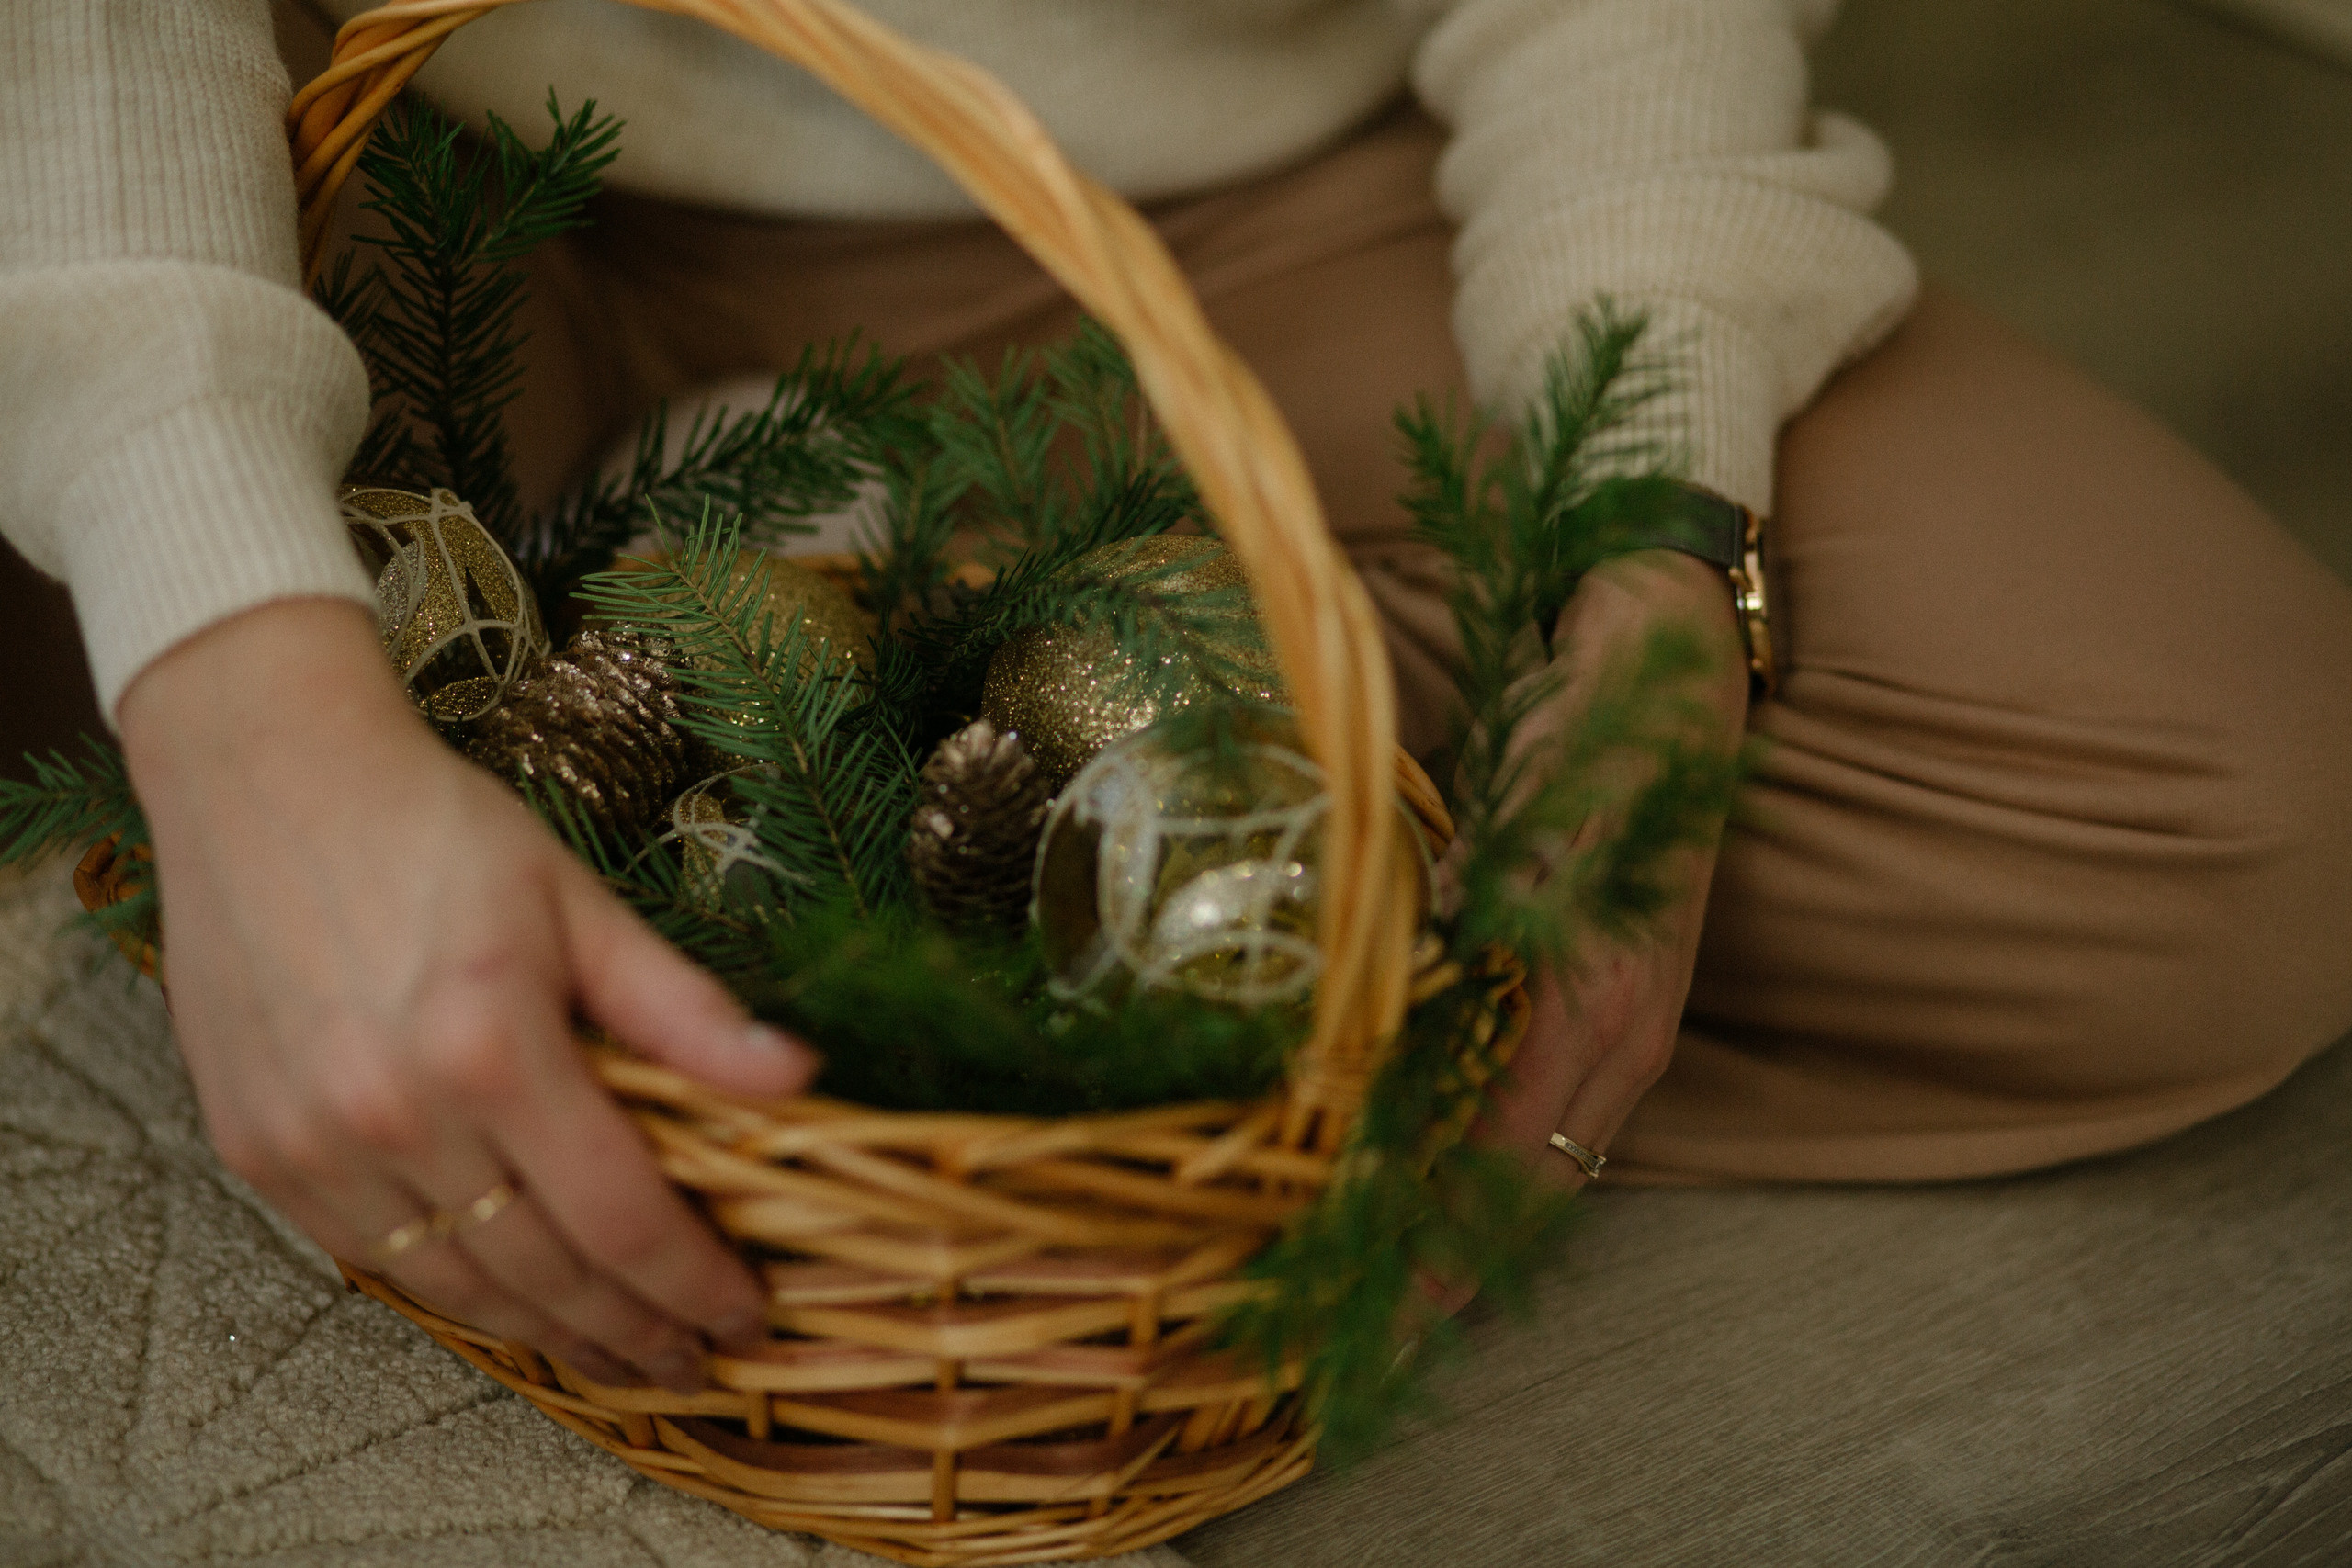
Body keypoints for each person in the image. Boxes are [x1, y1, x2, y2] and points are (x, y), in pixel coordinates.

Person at [5, 0, 2348, 1396]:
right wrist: (230, 658)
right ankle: (773, 691)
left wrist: (1647, 549)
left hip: (1249, 219)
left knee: (2234, 818)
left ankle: (957, 658)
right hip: (402, 169)